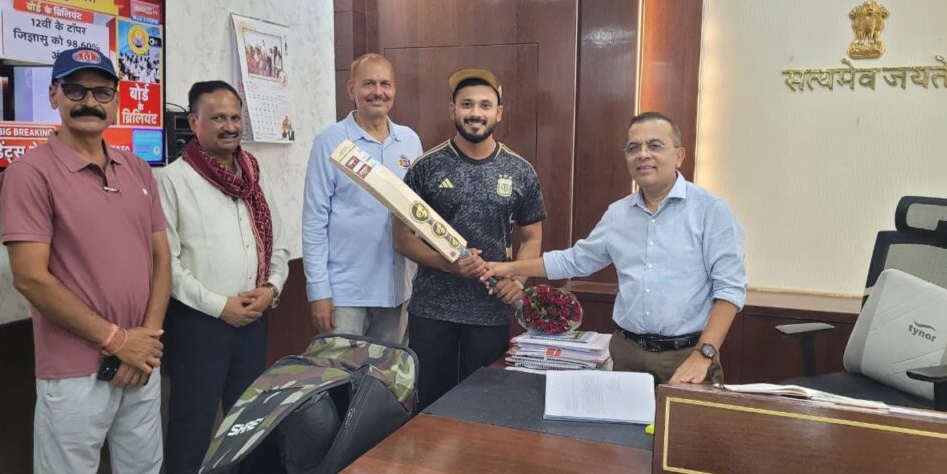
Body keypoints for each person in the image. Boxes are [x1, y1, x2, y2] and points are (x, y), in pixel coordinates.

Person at [0, 47, 168, 474]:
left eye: (101, 92)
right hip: (74, 373)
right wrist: (117, 340)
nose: (89, 101)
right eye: (75, 90)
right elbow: (30, 277)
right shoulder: (29, 174)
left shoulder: (137, 169)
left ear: (116, 100)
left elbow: (161, 258)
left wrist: (145, 342)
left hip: (141, 363)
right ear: (54, 95)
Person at [481, 111, 746, 386]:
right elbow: (575, 260)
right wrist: (509, 268)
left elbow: (730, 290)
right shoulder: (618, 214)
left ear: (679, 156)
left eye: (655, 146)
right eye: (633, 148)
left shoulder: (711, 211)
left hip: (687, 356)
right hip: (627, 354)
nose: (643, 154)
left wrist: (703, 355)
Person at [158, 80, 290, 474]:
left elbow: (278, 243)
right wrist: (220, 306)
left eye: (235, 117)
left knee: (246, 423)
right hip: (199, 327)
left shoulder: (252, 175)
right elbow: (169, 265)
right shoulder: (172, 180)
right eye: (217, 117)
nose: (229, 126)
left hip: (253, 319)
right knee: (192, 428)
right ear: (193, 122)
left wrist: (272, 289)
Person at [394, 68, 546, 409]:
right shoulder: (425, 167)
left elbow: (532, 237)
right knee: (430, 409)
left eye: (485, 105)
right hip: (432, 311)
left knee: (484, 408)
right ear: (452, 110)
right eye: (466, 104)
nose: (475, 113)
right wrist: (448, 264)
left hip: (490, 312)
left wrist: (517, 280)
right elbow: (402, 239)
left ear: (498, 113)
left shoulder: (520, 170)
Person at [303, 53, 422, 343]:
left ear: (394, 89)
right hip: (344, 293)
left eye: (385, 84)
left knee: (388, 371)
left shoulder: (409, 140)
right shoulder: (331, 141)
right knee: (340, 370)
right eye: (368, 83)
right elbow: (314, 221)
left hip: (397, 290)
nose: (378, 92)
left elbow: (420, 212)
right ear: (351, 89)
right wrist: (319, 291)